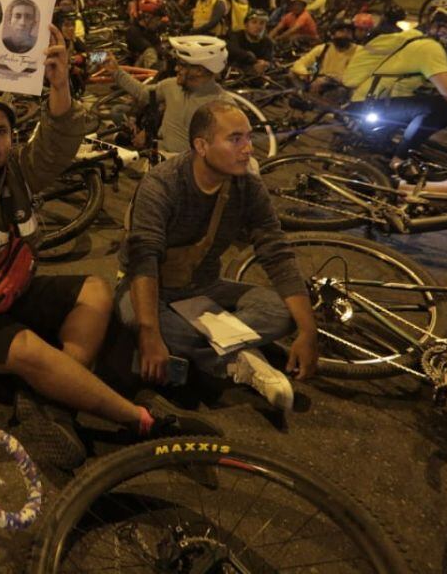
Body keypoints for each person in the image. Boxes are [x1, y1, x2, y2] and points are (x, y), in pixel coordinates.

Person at [0, 10, 172, 471]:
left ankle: (53, 400)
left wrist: (60, 83)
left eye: (1, 131)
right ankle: (139, 420)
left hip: (13, 295)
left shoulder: (20, 173)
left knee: (96, 290)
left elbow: (62, 140)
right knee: (24, 346)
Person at [117, 101, 318, 411]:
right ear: (202, 145)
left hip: (205, 287)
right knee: (137, 322)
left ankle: (211, 355)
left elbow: (275, 251)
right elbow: (143, 258)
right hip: (150, 289)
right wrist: (149, 332)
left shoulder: (247, 186)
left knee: (281, 313)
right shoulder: (162, 184)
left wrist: (308, 330)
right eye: (235, 139)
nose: (248, 149)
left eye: (249, 138)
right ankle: (238, 357)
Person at [341, 1, 447, 170]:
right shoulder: (428, 47)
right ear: (437, 26)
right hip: (370, 103)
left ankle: (402, 142)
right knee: (445, 106)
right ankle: (399, 160)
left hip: (397, 100)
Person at [107, 36, 233, 156]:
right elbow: (143, 93)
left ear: (199, 70)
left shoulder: (223, 105)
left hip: (193, 170)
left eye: (182, 64)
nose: (176, 68)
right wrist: (116, 72)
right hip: (160, 161)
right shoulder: (171, 86)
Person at [289, 19, 359, 98]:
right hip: (318, 81)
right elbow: (299, 64)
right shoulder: (323, 48)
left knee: (340, 91)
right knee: (292, 74)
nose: (345, 34)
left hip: (340, 84)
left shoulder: (359, 51)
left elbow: (354, 77)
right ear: (332, 34)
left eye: (349, 31)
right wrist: (306, 74)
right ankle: (306, 97)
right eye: (342, 31)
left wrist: (328, 80)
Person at [226, 9, 275, 74]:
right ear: (246, 25)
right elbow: (232, 50)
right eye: (254, 22)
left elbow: (269, 60)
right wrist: (249, 57)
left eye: (262, 23)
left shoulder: (267, 42)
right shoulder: (236, 36)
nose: (258, 26)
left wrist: (265, 64)